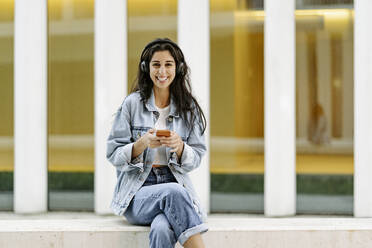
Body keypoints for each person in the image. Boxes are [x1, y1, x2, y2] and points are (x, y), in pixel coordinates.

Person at [106, 38, 208, 248]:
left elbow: (196, 157)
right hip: (139, 192)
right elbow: (113, 154)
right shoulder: (132, 104)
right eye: (156, 64)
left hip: (174, 184)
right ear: (146, 68)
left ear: (178, 68)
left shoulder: (188, 107)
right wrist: (141, 144)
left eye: (168, 64)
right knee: (174, 192)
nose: (162, 71)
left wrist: (180, 147)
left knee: (162, 229)